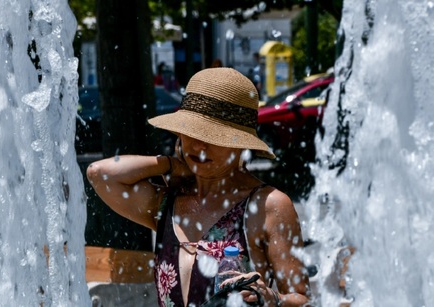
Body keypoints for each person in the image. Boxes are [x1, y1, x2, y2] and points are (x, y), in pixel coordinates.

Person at [87, 68, 311, 306]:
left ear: (240, 143)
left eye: (215, 137)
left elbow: (303, 300)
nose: (199, 146)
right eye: (191, 131)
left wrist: (271, 298)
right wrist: (170, 165)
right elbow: (99, 174)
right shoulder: (166, 203)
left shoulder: (268, 206)